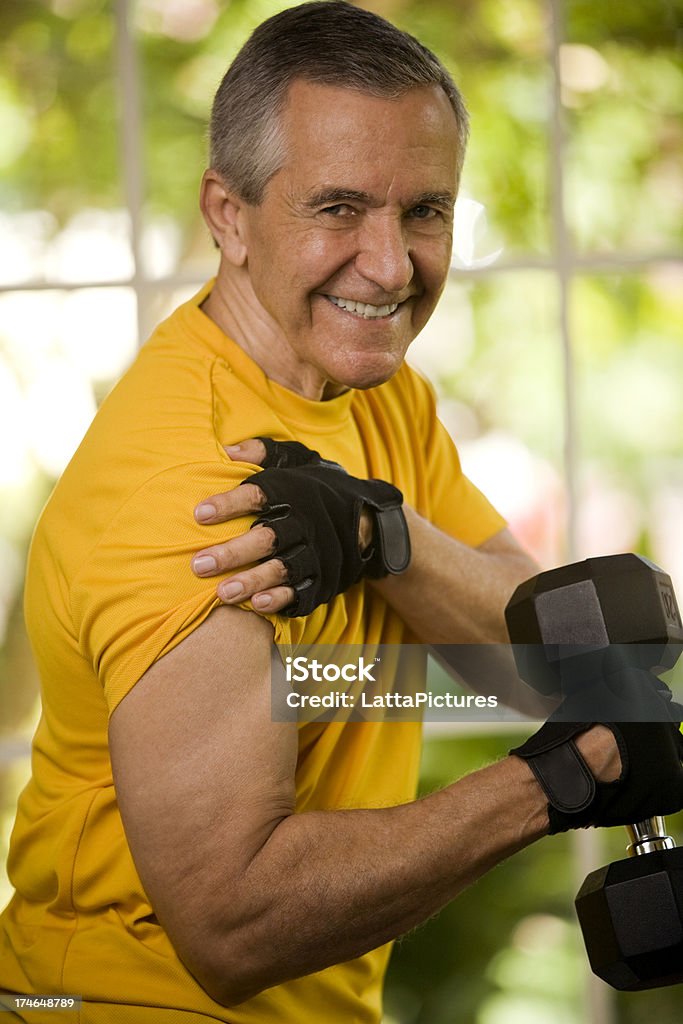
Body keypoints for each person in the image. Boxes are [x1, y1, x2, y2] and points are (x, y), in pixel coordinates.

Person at [2, 3, 682, 1022]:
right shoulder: (201, 486)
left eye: (424, 211)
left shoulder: (371, 389)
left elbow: (533, 658)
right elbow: (231, 923)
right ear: (226, 214)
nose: (392, 265)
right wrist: (560, 781)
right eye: (337, 208)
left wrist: (384, 540)